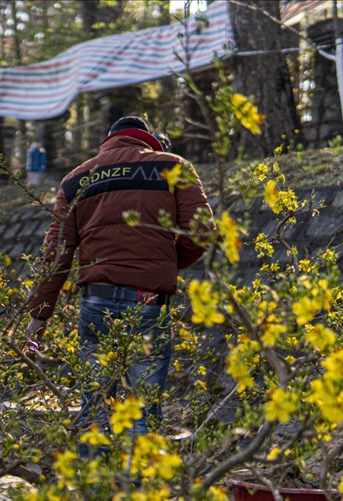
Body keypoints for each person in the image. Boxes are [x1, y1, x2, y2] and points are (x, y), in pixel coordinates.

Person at [25, 115, 213, 440]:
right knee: (144, 411)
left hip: (97, 299)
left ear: (108, 141)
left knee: (95, 409)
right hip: (149, 300)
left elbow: (56, 253)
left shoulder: (75, 179)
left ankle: (95, 486)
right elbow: (201, 229)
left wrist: (39, 315)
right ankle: (140, 489)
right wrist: (163, 265)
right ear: (147, 139)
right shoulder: (172, 166)